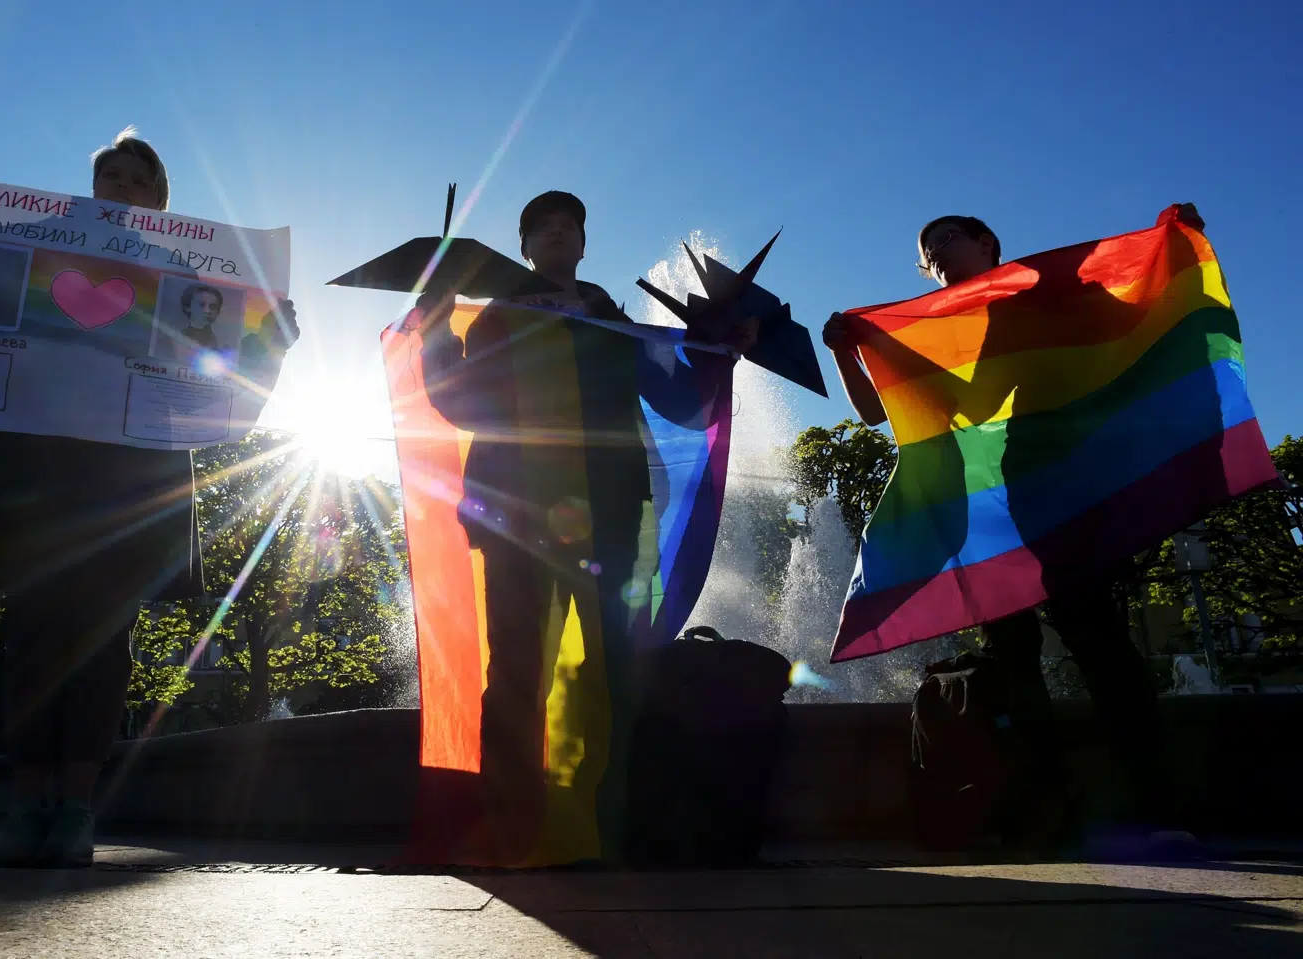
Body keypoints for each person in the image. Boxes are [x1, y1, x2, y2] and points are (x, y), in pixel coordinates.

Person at [0, 129, 299, 868]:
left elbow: (216, 374)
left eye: (135, 179)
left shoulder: (180, 274)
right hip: (35, 471)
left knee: (104, 640)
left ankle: (75, 807)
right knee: (33, 634)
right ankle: (25, 807)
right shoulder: (37, 249)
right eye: (108, 174)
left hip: (126, 478)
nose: (118, 186)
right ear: (91, 188)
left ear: (158, 198)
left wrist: (268, 338)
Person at [823, 210, 1202, 850]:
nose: (937, 253)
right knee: (1013, 661)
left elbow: (1129, 323)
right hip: (1001, 504)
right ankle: (1037, 809)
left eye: (948, 238)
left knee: (1100, 645)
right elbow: (875, 413)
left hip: (1070, 493)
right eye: (926, 249)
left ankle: (1158, 806)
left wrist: (1178, 249)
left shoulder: (1044, 291)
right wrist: (846, 351)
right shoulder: (941, 329)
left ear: (986, 244)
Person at [416, 191, 755, 861]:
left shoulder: (609, 318)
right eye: (541, 225)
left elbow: (678, 395)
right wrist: (433, 327)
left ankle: (609, 827)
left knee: (615, 668)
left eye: (568, 223)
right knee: (517, 668)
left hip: (611, 511)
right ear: (525, 246)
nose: (556, 231)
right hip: (514, 511)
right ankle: (515, 828)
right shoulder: (495, 317)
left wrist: (719, 350)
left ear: (582, 243)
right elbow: (459, 402)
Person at [176, 282, 223, 352]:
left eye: (213, 307)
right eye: (202, 305)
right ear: (188, 307)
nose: (207, 311)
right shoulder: (177, 338)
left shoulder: (219, 343)